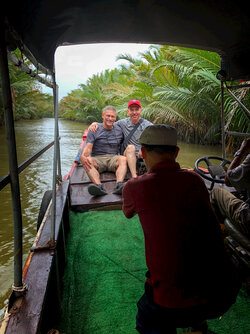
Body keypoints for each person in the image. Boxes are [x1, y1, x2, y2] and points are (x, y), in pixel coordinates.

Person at [122, 124, 240, 334]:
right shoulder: (195, 180)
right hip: (224, 293)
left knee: (146, 319)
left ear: (142, 153)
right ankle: (197, 326)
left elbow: (128, 212)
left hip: (172, 303)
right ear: (176, 152)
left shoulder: (134, 187)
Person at [88, 100, 152, 178]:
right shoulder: (122, 123)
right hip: (128, 156)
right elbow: (108, 123)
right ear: (128, 111)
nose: (134, 112)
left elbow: (156, 137)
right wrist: (95, 123)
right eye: (132, 110)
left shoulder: (148, 125)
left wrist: (144, 147)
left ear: (141, 111)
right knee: (130, 147)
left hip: (142, 157)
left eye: (137, 110)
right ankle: (134, 176)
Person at [80, 106, 127, 196]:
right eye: (108, 116)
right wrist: (83, 156)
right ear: (103, 115)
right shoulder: (94, 129)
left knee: (123, 159)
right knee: (88, 160)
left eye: (112, 116)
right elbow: (88, 147)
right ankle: (98, 186)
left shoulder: (119, 130)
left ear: (115, 118)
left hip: (113, 158)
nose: (110, 118)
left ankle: (119, 185)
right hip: (98, 159)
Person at [210, 138, 250, 236]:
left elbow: (228, 179)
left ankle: (219, 236)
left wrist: (242, 150)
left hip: (247, 220)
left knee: (216, 192)